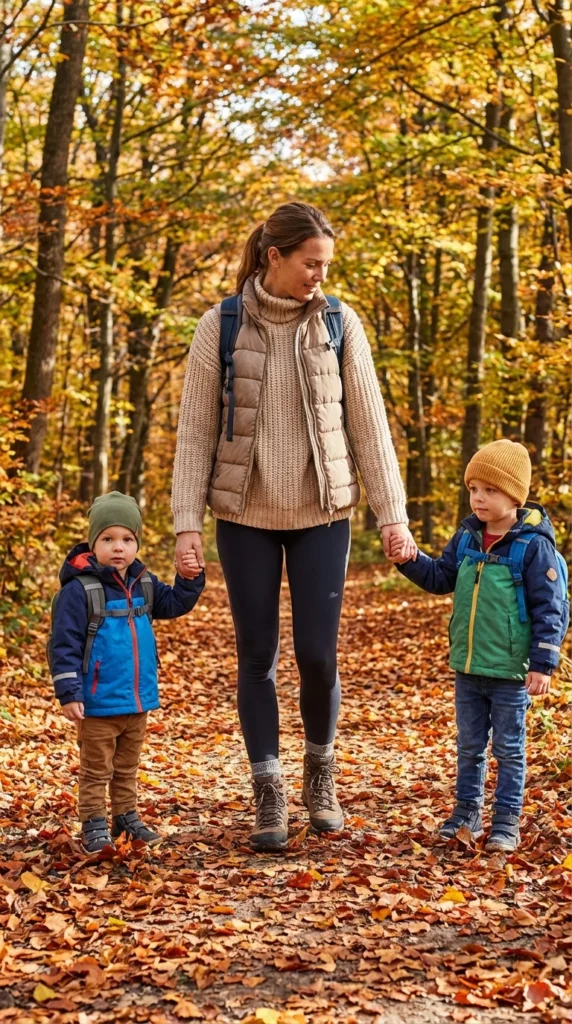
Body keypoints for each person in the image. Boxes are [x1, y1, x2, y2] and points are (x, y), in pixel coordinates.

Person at [172, 200, 415, 852]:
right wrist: (185, 524)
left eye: (326, 264)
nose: (320, 275)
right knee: (257, 655)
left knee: (317, 655)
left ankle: (320, 773)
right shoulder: (220, 325)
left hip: (322, 513)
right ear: (273, 256)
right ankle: (269, 787)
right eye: (311, 263)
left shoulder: (338, 323)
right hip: (244, 514)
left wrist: (392, 515)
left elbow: (370, 426)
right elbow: (194, 432)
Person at [394, 440, 568, 852]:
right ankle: (466, 813)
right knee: (469, 747)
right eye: (474, 489)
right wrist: (407, 559)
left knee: (509, 749)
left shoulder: (533, 546)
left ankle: (506, 821)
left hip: (510, 671)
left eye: (490, 490)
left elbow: (552, 607)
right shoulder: (467, 538)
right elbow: (441, 577)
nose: (479, 498)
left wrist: (543, 663)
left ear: (515, 496)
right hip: (469, 668)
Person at [49, 491, 205, 853]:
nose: (118, 547)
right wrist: (69, 693)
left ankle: (125, 816)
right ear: (93, 542)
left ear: (137, 543)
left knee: (127, 766)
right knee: (96, 768)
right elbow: (64, 644)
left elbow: (174, 603)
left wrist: (188, 579)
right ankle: (93, 823)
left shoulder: (144, 583)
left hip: (137, 699)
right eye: (108, 539)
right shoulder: (80, 591)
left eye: (127, 539)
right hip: (97, 702)